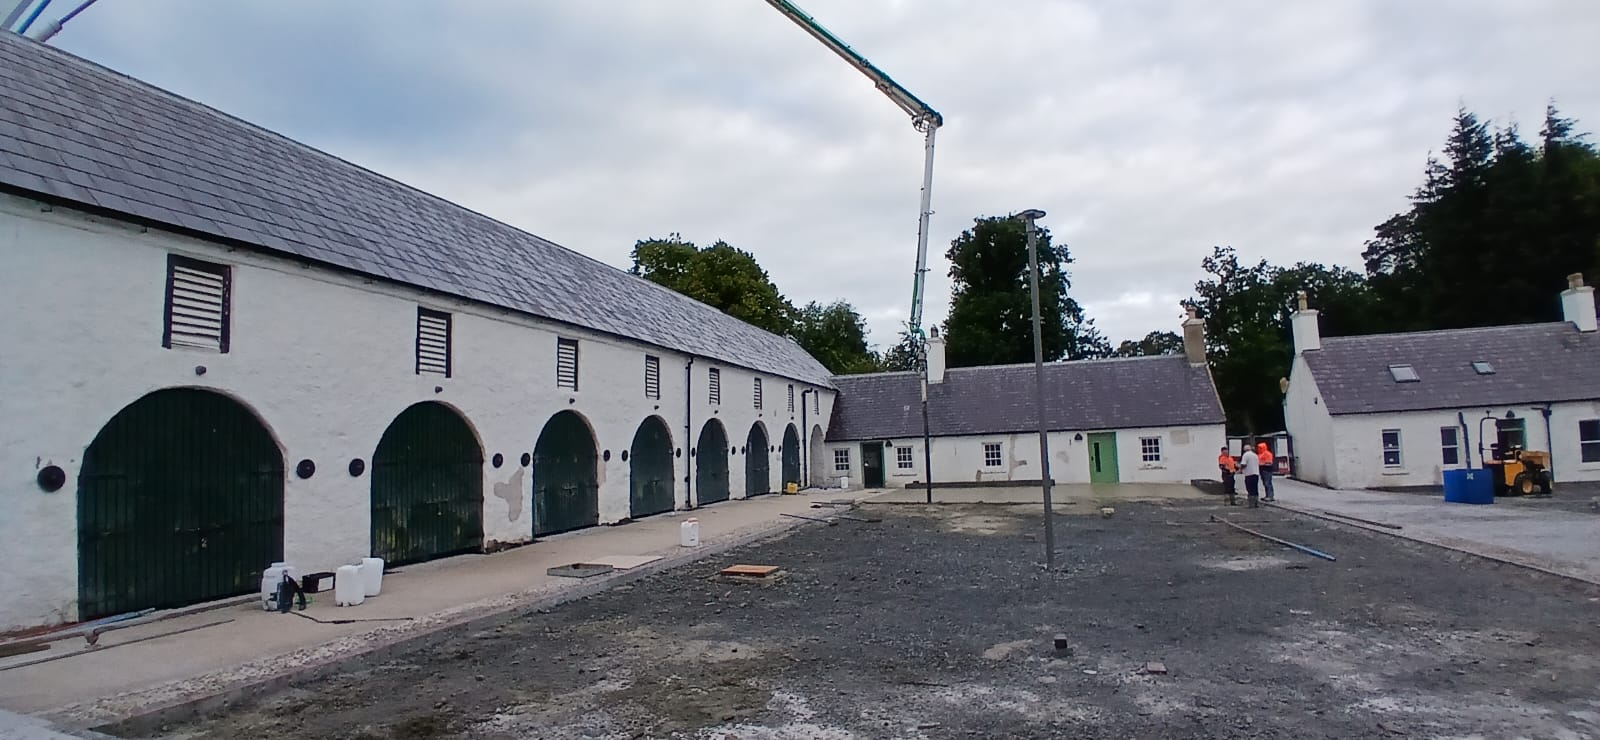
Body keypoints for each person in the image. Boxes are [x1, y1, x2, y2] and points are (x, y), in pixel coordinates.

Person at [1240, 443, 1261, 508]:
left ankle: (1251, 504)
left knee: (1250, 489)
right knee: (1255, 489)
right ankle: (1256, 503)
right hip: (1256, 473)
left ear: (1245, 449)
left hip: (1249, 474)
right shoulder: (1255, 455)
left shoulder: (1245, 455)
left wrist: (1239, 469)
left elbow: (1244, 464)